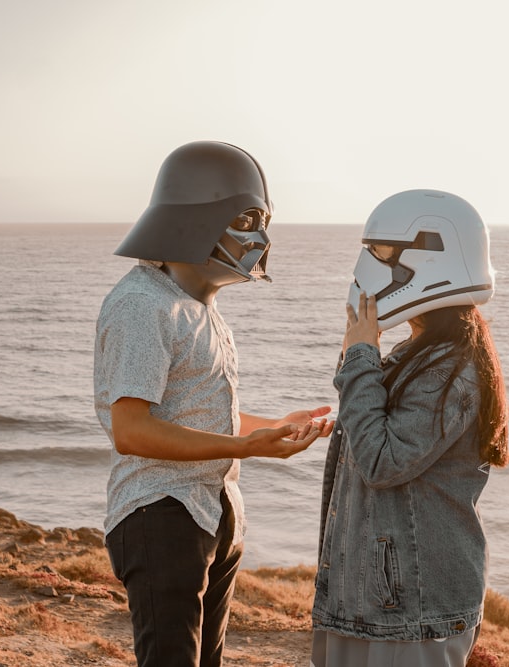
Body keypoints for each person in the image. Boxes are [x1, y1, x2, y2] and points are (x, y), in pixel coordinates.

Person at [94, 140, 333, 667]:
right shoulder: (142, 305)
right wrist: (246, 446)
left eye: (264, 221)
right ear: (196, 218)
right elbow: (131, 429)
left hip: (214, 513)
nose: (262, 237)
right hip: (162, 514)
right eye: (249, 218)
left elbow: (197, 415)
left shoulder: (197, 306)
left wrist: (276, 426)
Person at [311, 189, 509, 666]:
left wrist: (360, 351)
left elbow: (382, 462)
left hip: (411, 606)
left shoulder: (451, 369)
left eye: (383, 253)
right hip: (374, 601)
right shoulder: (422, 352)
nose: (371, 268)